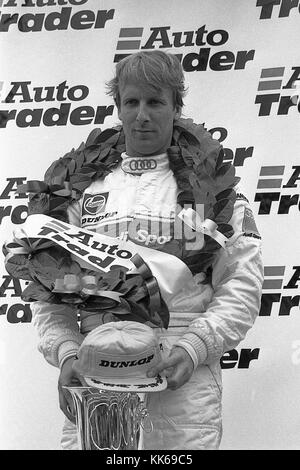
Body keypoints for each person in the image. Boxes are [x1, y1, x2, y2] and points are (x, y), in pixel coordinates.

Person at [30, 50, 263, 450]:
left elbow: (241, 286)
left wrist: (194, 347)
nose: (142, 114)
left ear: (176, 106)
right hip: (96, 368)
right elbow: (48, 288)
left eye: (155, 102)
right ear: (118, 107)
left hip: (183, 377)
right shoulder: (77, 189)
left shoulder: (216, 188)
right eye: (132, 102)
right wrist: (68, 353)